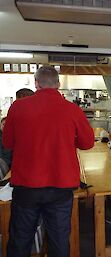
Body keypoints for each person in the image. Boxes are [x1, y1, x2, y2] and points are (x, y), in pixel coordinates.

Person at [3, 66, 94, 257]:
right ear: (58, 85)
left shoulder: (18, 107)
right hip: (60, 186)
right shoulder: (72, 109)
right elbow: (86, 143)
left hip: (26, 186)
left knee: (20, 239)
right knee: (59, 240)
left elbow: (8, 142)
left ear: (36, 84)